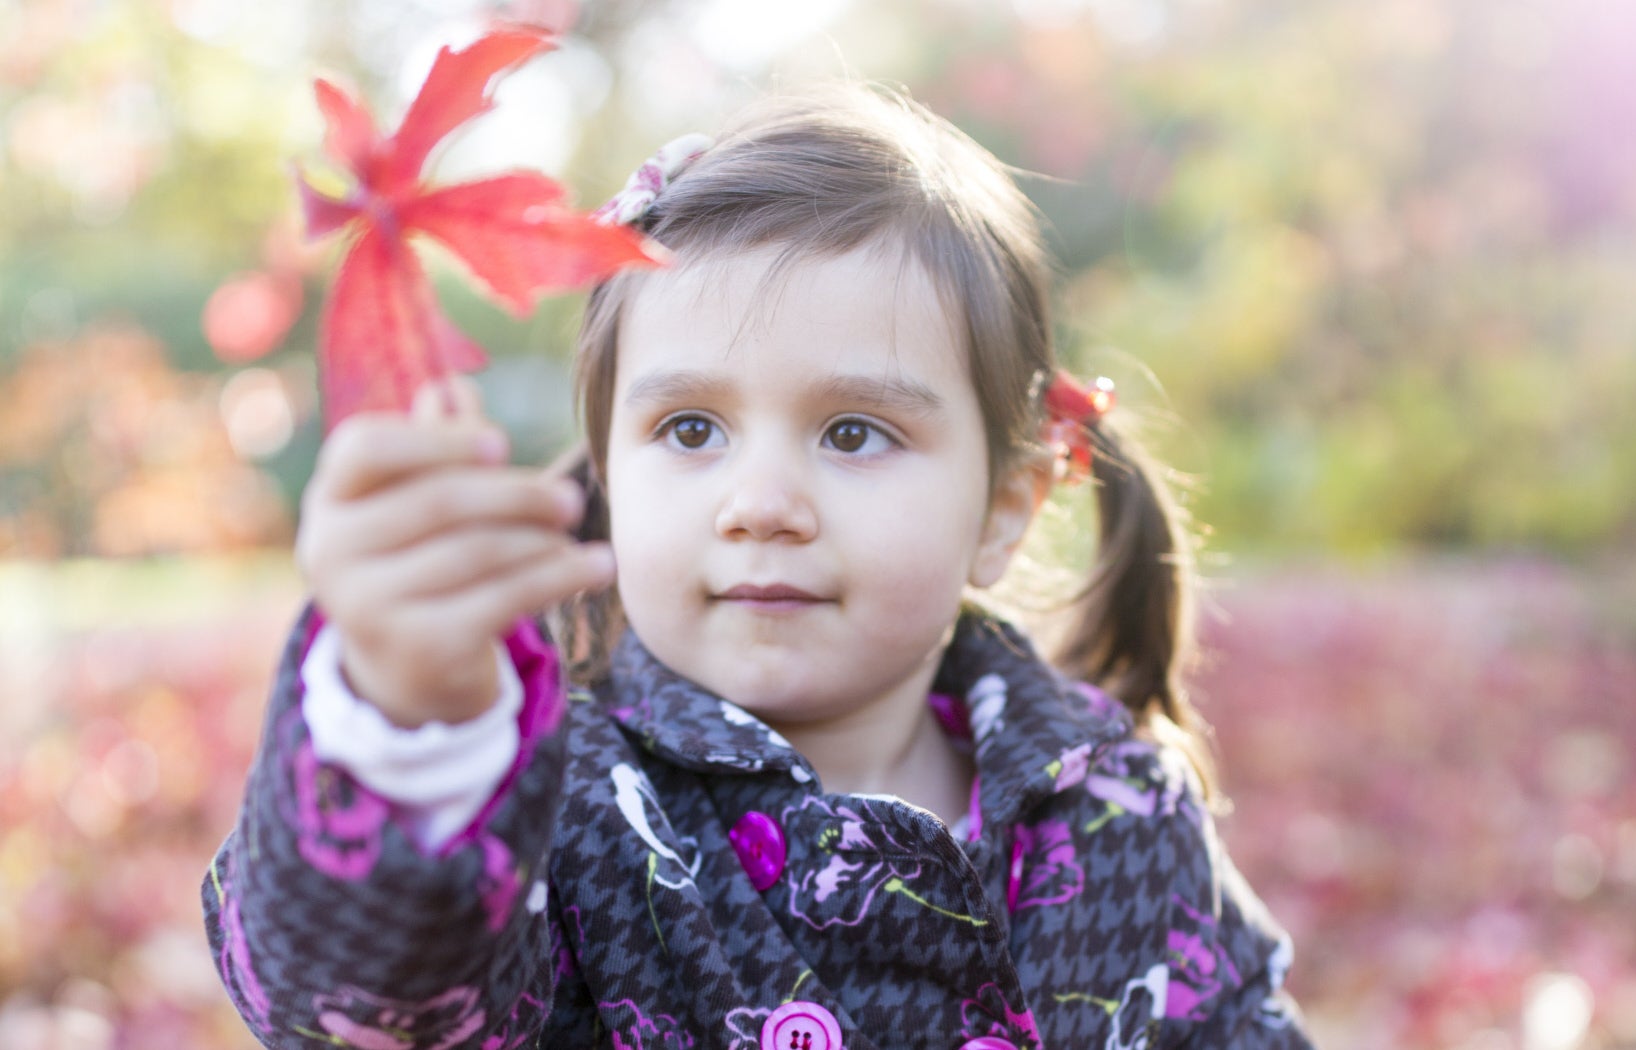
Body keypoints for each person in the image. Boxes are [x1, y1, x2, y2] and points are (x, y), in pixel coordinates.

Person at [203, 83, 1313, 1050]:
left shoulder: (1110, 802)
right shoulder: (572, 815)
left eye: (851, 433)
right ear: (607, 477)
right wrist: (406, 737)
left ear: (1004, 507)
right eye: (690, 430)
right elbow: (368, 1012)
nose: (763, 506)